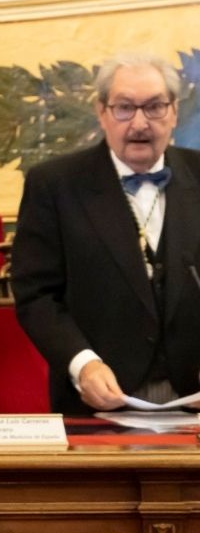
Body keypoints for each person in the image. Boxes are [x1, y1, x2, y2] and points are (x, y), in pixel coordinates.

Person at [12, 53, 200, 414]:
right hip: (98, 403)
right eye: (125, 108)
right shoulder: (54, 184)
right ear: (102, 112)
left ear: (174, 112)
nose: (140, 123)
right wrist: (83, 364)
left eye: (155, 107)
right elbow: (35, 295)